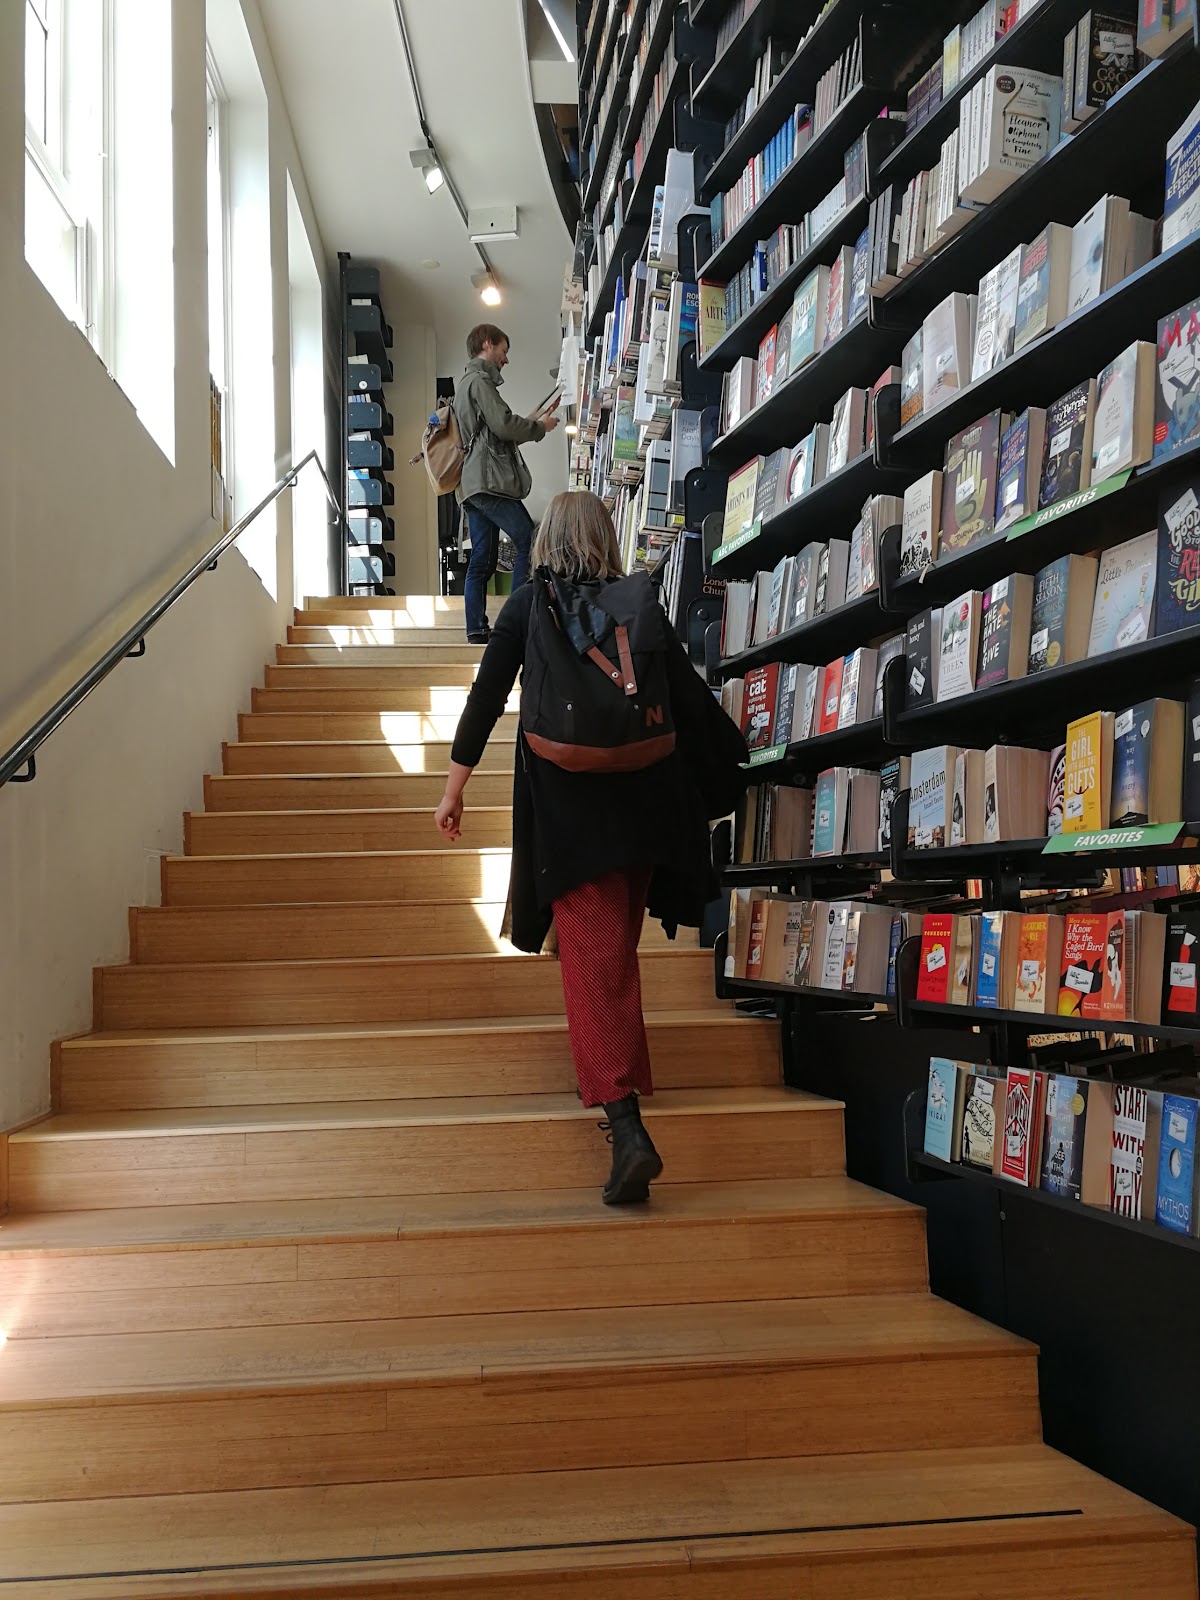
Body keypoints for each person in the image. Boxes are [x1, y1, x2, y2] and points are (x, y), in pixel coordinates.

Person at [435, 491, 747, 1206]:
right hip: (647, 813)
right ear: (607, 538)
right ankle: (624, 1095)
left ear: (547, 539)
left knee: (594, 964)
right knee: (609, 957)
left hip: (570, 817)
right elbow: (690, 704)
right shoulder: (638, 606)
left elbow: (485, 698)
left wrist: (454, 789)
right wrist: (737, 769)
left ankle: (627, 1127)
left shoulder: (527, 606)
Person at [455, 324, 559, 643]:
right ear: (488, 344)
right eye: (504, 350)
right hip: (488, 483)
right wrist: (539, 428)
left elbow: (493, 436)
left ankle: (476, 629)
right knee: (528, 538)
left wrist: (532, 421)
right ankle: (517, 622)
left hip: (472, 485)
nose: (506, 359)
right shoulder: (479, 381)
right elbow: (503, 425)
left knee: (482, 559)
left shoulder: (466, 384)